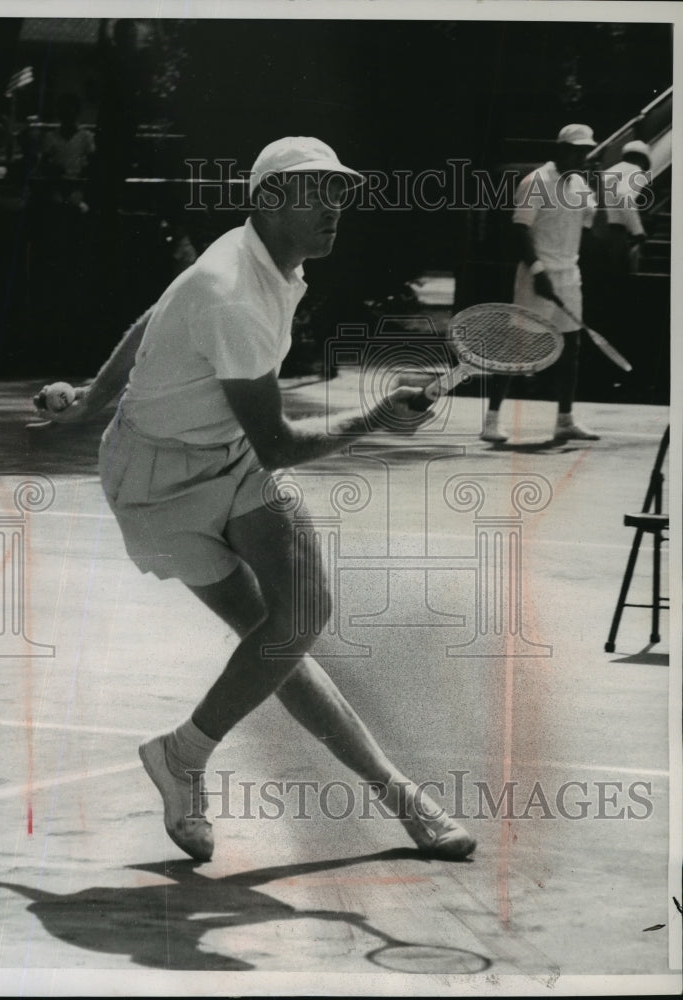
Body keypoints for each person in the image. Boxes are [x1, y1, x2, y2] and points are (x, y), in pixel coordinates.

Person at [34, 136, 476, 864]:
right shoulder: (231, 290)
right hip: (158, 483)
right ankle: (190, 759)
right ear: (268, 201)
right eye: (315, 193)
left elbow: (157, 315)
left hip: (227, 452)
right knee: (278, 642)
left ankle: (386, 795)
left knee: (297, 618)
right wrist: (375, 419)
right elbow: (276, 442)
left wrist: (89, 399)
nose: (335, 207)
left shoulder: (272, 262)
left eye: (340, 192)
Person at [481, 123, 601, 444]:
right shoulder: (535, 182)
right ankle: (491, 421)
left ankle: (565, 420)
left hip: (569, 277)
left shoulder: (583, 187)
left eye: (585, 150)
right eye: (576, 149)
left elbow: (591, 232)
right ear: (560, 149)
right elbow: (519, 229)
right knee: (517, 347)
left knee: (571, 348)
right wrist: (537, 271)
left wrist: (604, 195)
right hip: (536, 275)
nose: (582, 155)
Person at [602, 138, 652, 277]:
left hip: (598, 230)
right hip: (615, 233)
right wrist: (638, 231)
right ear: (643, 160)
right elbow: (625, 197)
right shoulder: (636, 171)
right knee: (618, 276)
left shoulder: (610, 171)